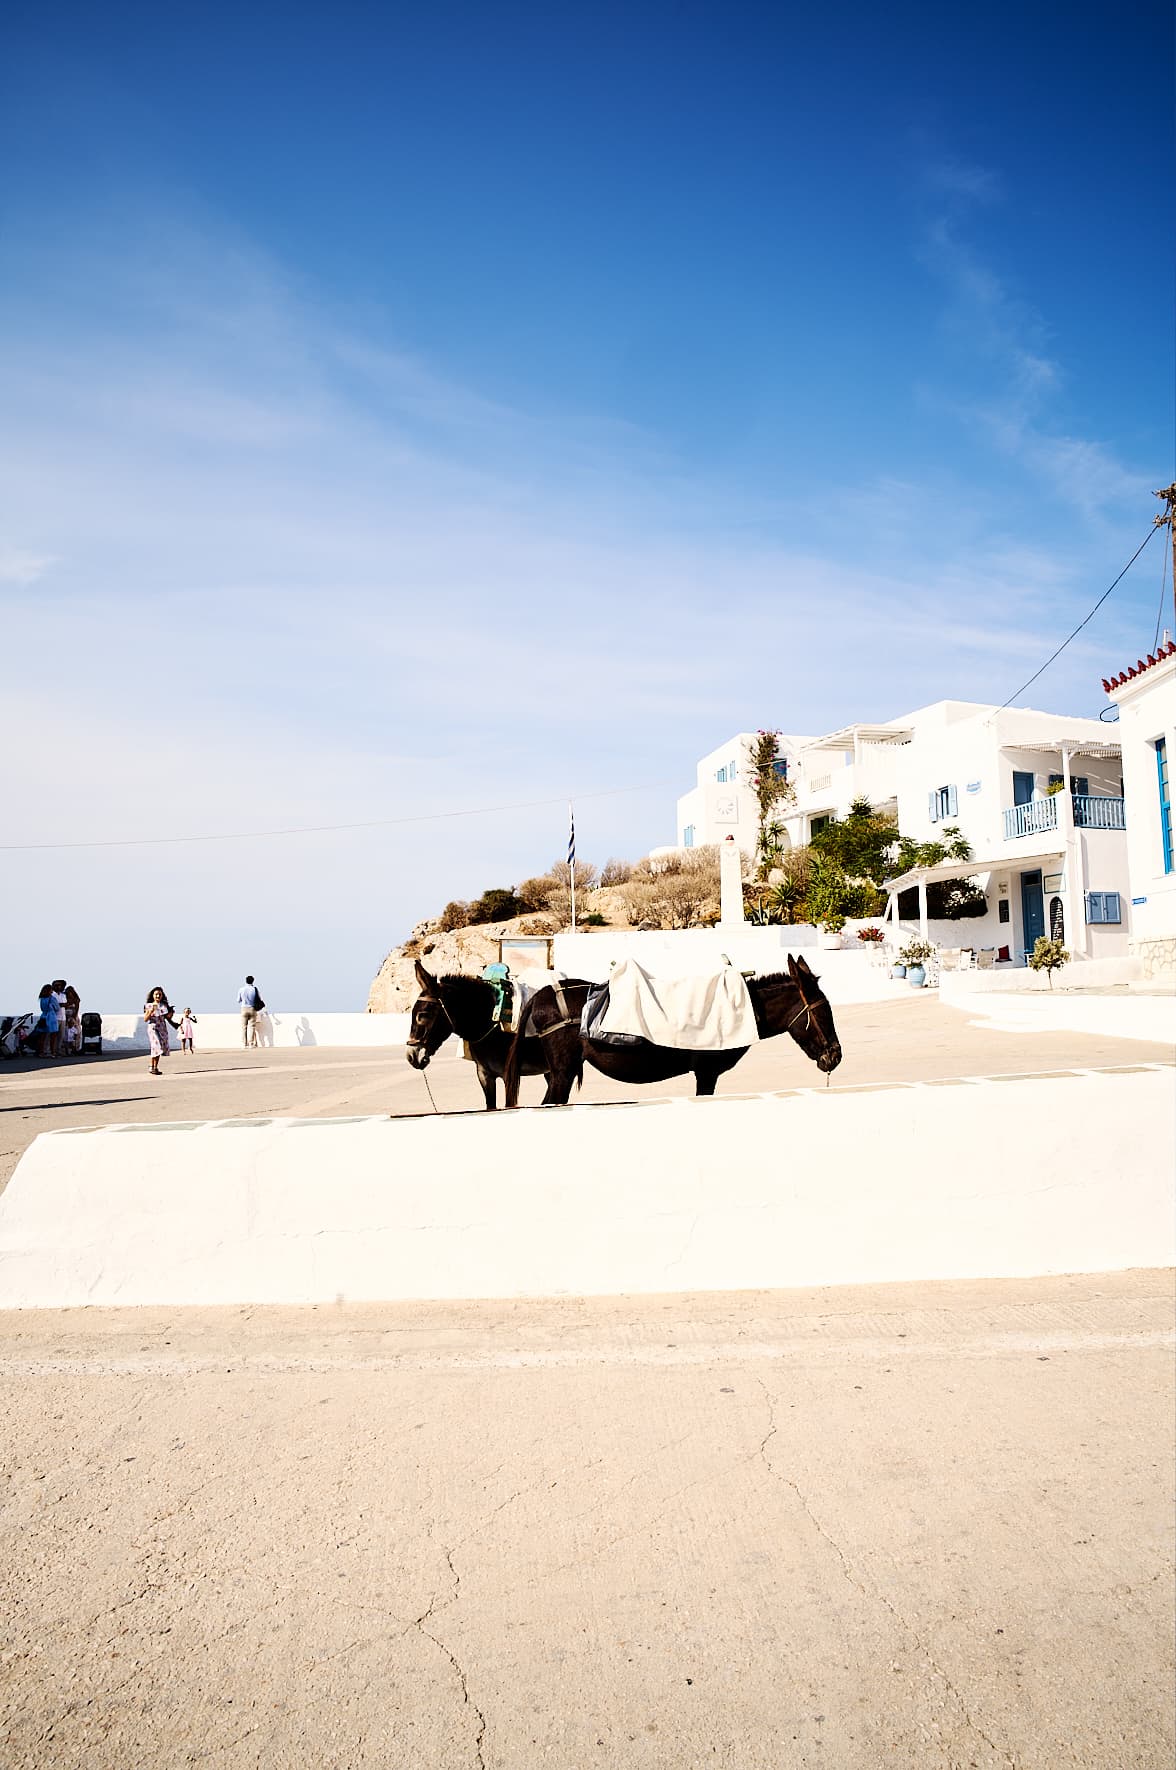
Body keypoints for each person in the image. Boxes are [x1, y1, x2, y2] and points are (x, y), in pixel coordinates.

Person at [144, 986, 176, 1076]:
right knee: (156, 1046)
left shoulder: (164, 1005)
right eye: (156, 994)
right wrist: (151, 1011)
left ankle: (155, 1067)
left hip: (162, 1028)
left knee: (160, 1048)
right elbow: (145, 1019)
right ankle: (151, 1066)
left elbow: (167, 1017)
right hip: (153, 1028)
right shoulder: (148, 1005)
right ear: (153, 995)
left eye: (159, 994)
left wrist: (171, 1013)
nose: (158, 996)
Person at [237, 975, 265, 1048]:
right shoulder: (254, 989)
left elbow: (238, 1000)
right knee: (252, 1026)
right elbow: (260, 999)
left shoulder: (241, 989)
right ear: (253, 981)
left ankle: (244, 1044)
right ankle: (251, 1043)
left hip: (244, 1008)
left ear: (246, 981)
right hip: (252, 1009)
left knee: (244, 1027)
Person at [37, 983, 59, 1059]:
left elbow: (42, 1008)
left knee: (42, 1036)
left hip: (43, 1016)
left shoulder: (42, 999)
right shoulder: (52, 998)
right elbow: (57, 1008)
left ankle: (41, 1052)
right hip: (51, 1017)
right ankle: (53, 1052)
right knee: (53, 1036)